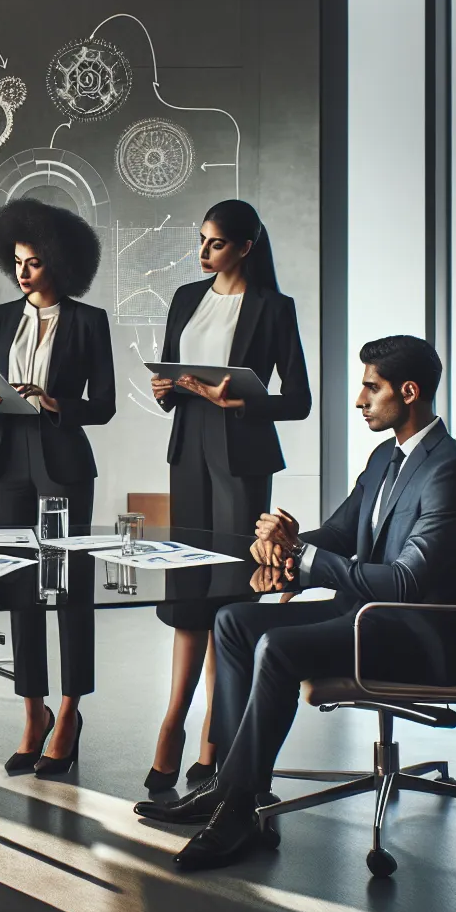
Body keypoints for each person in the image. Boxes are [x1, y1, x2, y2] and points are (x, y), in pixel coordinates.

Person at [134, 335, 456, 872]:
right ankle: (231, 785)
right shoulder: (387, 456)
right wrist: (287, 541)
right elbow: (341, 533)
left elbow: (407, 583)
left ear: (408, 392)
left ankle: (234, 813)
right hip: (366, 616)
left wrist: (304, 556)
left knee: (277, 645)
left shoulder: (449, 469)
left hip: (415, 633)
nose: (361, 399)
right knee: (232, 622)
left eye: (372, 387)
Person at [144, 200, 311, 793]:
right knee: (188, 587)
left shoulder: (274, 308)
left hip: (241, 453)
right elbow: (170, 380)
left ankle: (215, 734)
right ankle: (172, 724)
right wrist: (167, 388)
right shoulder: (187, 298)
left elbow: (298, 400)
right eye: (201, 241)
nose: (203, 253)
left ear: (244, 246)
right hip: (189, 447)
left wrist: (242, 399)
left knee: (229, 594)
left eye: (215, 243)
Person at [0, 198, 115, 776]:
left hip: (62, 461)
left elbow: (101, 405)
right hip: (7, 460)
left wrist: (56, 403)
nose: (22, 272)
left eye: (33, 262)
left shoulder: (88, 321)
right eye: (17, 261)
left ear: (60, 264)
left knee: (72, 590)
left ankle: (72, 711)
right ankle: (33, 712)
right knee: (20, 591)